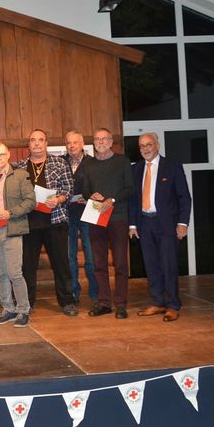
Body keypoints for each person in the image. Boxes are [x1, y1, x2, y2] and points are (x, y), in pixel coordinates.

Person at [14, 130, 78, 316]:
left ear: (46, 143)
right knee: (27, 267)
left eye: (40, 140)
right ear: (28, 145)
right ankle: (27, 303)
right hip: (28, 224)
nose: (36, 143)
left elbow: (69, 189)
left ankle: (67, 301)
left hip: (55, 222)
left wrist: (58, 199)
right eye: (33, 140)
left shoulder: (60, 163)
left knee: (61, 264)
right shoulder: (19, 167)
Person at [129, 133, 192, 322]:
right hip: (144, 223)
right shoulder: (136, 169)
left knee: (168, 265)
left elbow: (184, 197)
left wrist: (182, 223)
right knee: (151, 265)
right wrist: (132, 224)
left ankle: (173, 305)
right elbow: (133, 200)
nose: (145, 149)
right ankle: (158, 302)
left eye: (149, 144)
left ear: (158, 145)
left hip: (167, 225)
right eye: (141, 146)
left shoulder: (172, 166)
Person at [0, 142, 36, 327]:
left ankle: (23, 310)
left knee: (15, 273)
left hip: (12, 230)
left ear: (8, 155)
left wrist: (10, 213)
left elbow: (30, 201)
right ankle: (8, 308)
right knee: (0, 274)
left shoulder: (20, 175)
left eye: (2, 154)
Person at [81, 128, 135, 319]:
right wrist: (91, 195)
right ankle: (104, 303)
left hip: (118, 217)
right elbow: (85, 190)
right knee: (99, 263)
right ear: (94, 143)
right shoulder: (88, 164)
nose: (101, 142)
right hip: (96, 216)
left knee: (120, 263)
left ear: (111, 142)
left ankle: (121, 304)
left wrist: (112, 199)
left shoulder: (122, 161)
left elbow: (130, 188)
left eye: (104, 139)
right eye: (97, 139)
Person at [64, 130, 99, 308]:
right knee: (69, 256)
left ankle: (95, 293)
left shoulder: (93, 162)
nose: (71, 146)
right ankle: (73, 293)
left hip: (88, 212)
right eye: (68, 143)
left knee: (91, 255)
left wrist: (90, 197)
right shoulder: (60, 162)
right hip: (67, 212)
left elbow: (99, 187)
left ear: (82, 143)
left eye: (75, 142)